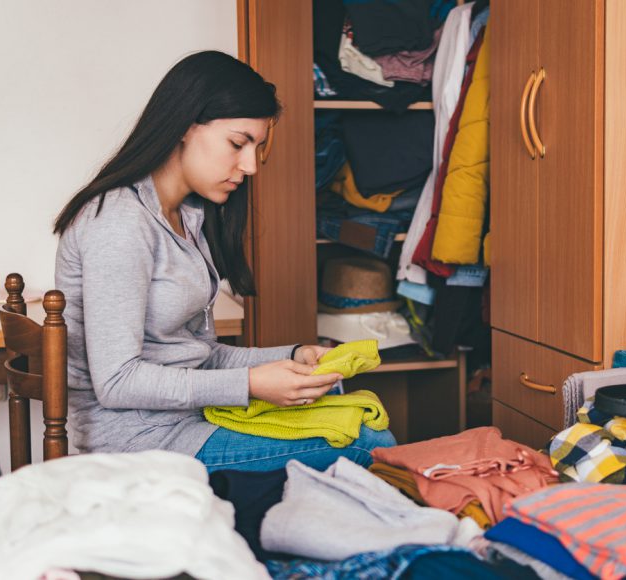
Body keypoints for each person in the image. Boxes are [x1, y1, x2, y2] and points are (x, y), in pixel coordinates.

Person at [53, 50, 395, 472]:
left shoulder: (185, 216)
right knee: (367, 440)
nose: (249, 166)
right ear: (184, 127)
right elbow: (118, 381)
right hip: (139, 443)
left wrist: (290, 356)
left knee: (344, 403)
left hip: (187, 423)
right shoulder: (120, 221)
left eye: (257, 148)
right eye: (238, 143)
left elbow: (194, 356)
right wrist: (251, 384)